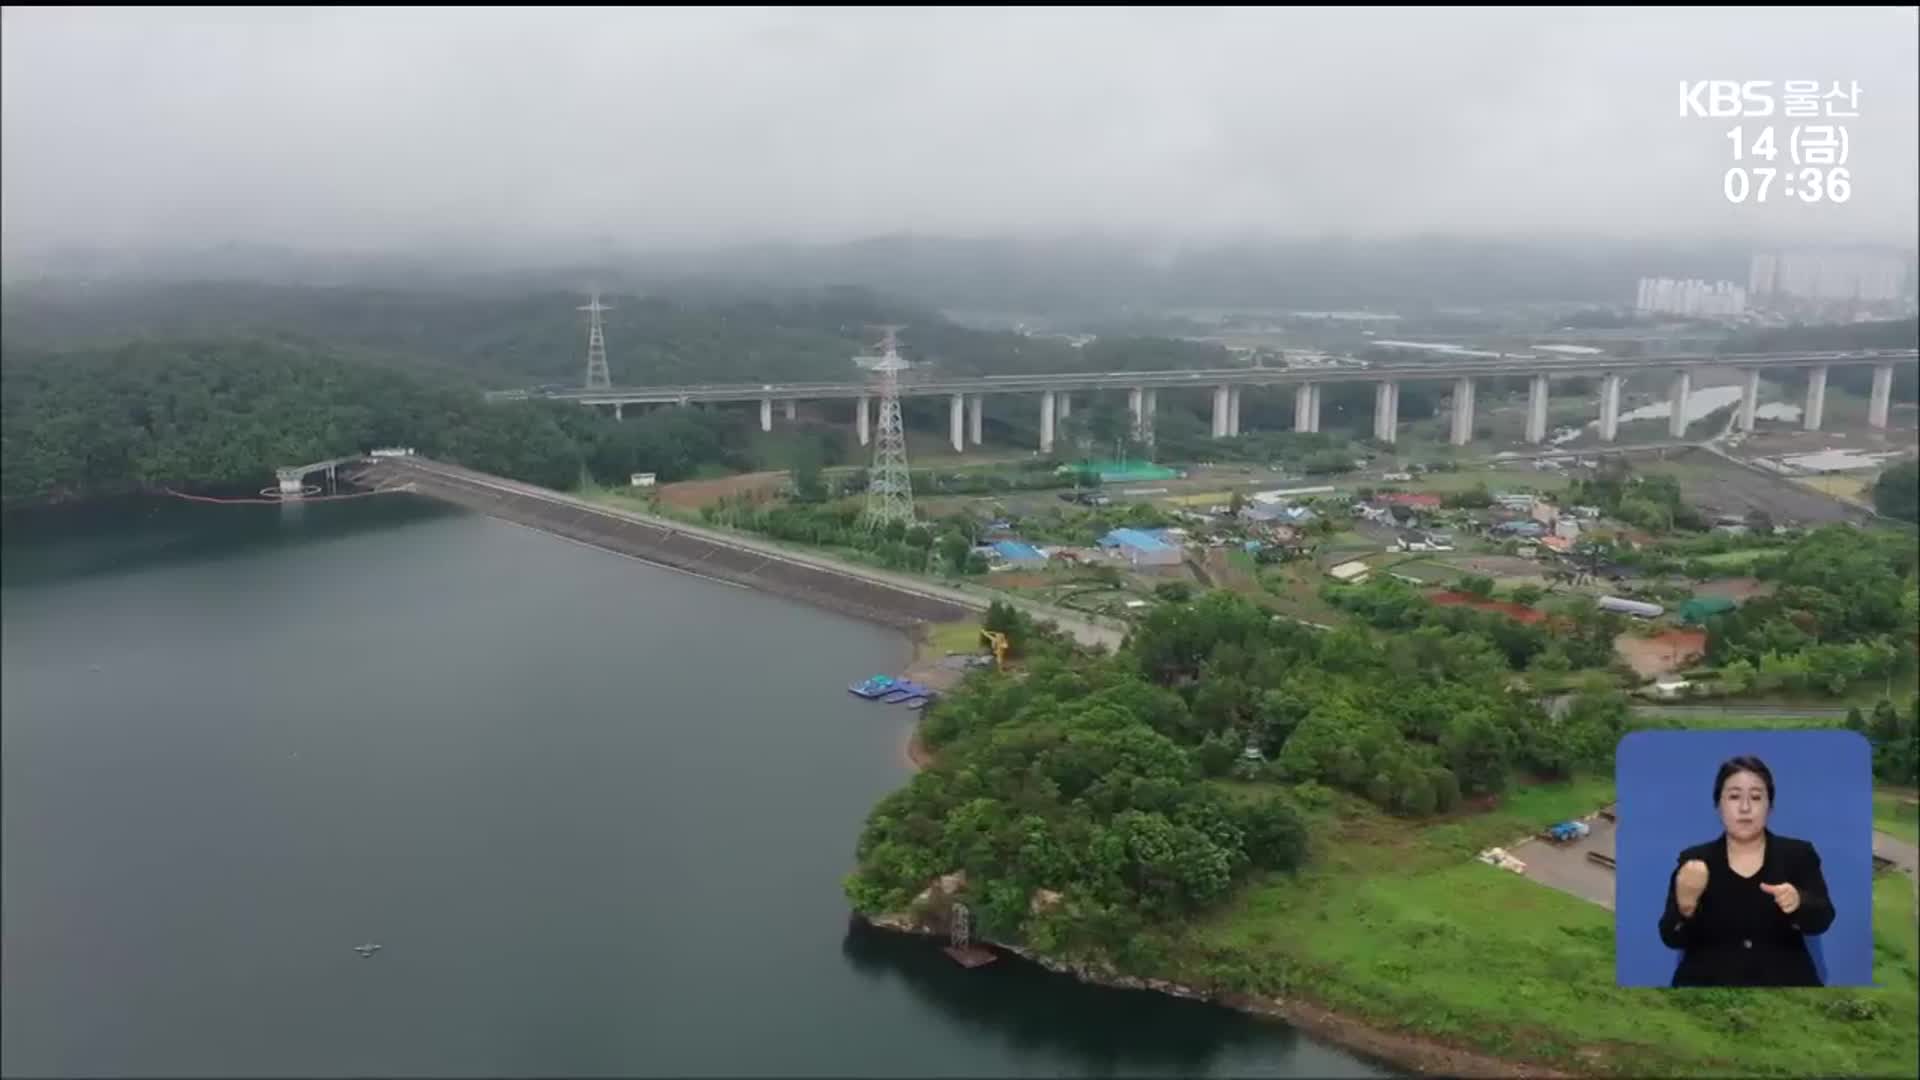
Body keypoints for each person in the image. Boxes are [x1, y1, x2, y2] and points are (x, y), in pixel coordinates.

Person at [1659, 755, 1835, 987]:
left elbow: (1822, 918)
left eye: (1755, 797)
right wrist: (1686, 905)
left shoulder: (1798, 854)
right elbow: (1671, 938)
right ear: (1718, 805)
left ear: (1769, 806)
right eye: (1733, 797)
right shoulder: (1693, 860)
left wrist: (1798, 901)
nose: (1744, 808)